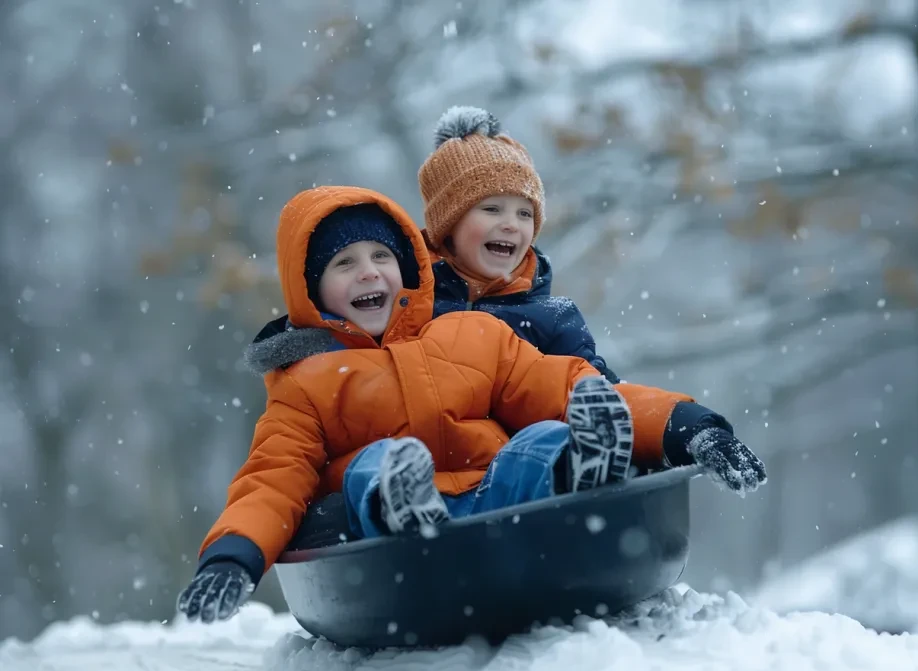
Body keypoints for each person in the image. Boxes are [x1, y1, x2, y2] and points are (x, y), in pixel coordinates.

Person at [175, 185, 766, 624]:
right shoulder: (306, 385)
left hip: (497, 505)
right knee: (372, 464)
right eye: (343, 264)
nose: (367, 272)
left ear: (405, 269)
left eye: (380, 257)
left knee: (540, 438)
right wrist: (233, 558)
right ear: (311, 291)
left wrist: (689, 429)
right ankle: (405, 499)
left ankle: (579, 464)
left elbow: (564, 386)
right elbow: (272, 482)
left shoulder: (471, 336)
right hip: (390, 542)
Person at [419, 105, 620, 381]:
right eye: (492, 209)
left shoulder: (551, 319)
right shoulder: (410, 304)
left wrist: (679, 417)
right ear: (448, 225)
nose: (511, 224)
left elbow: (609, 391)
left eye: (525, 214)